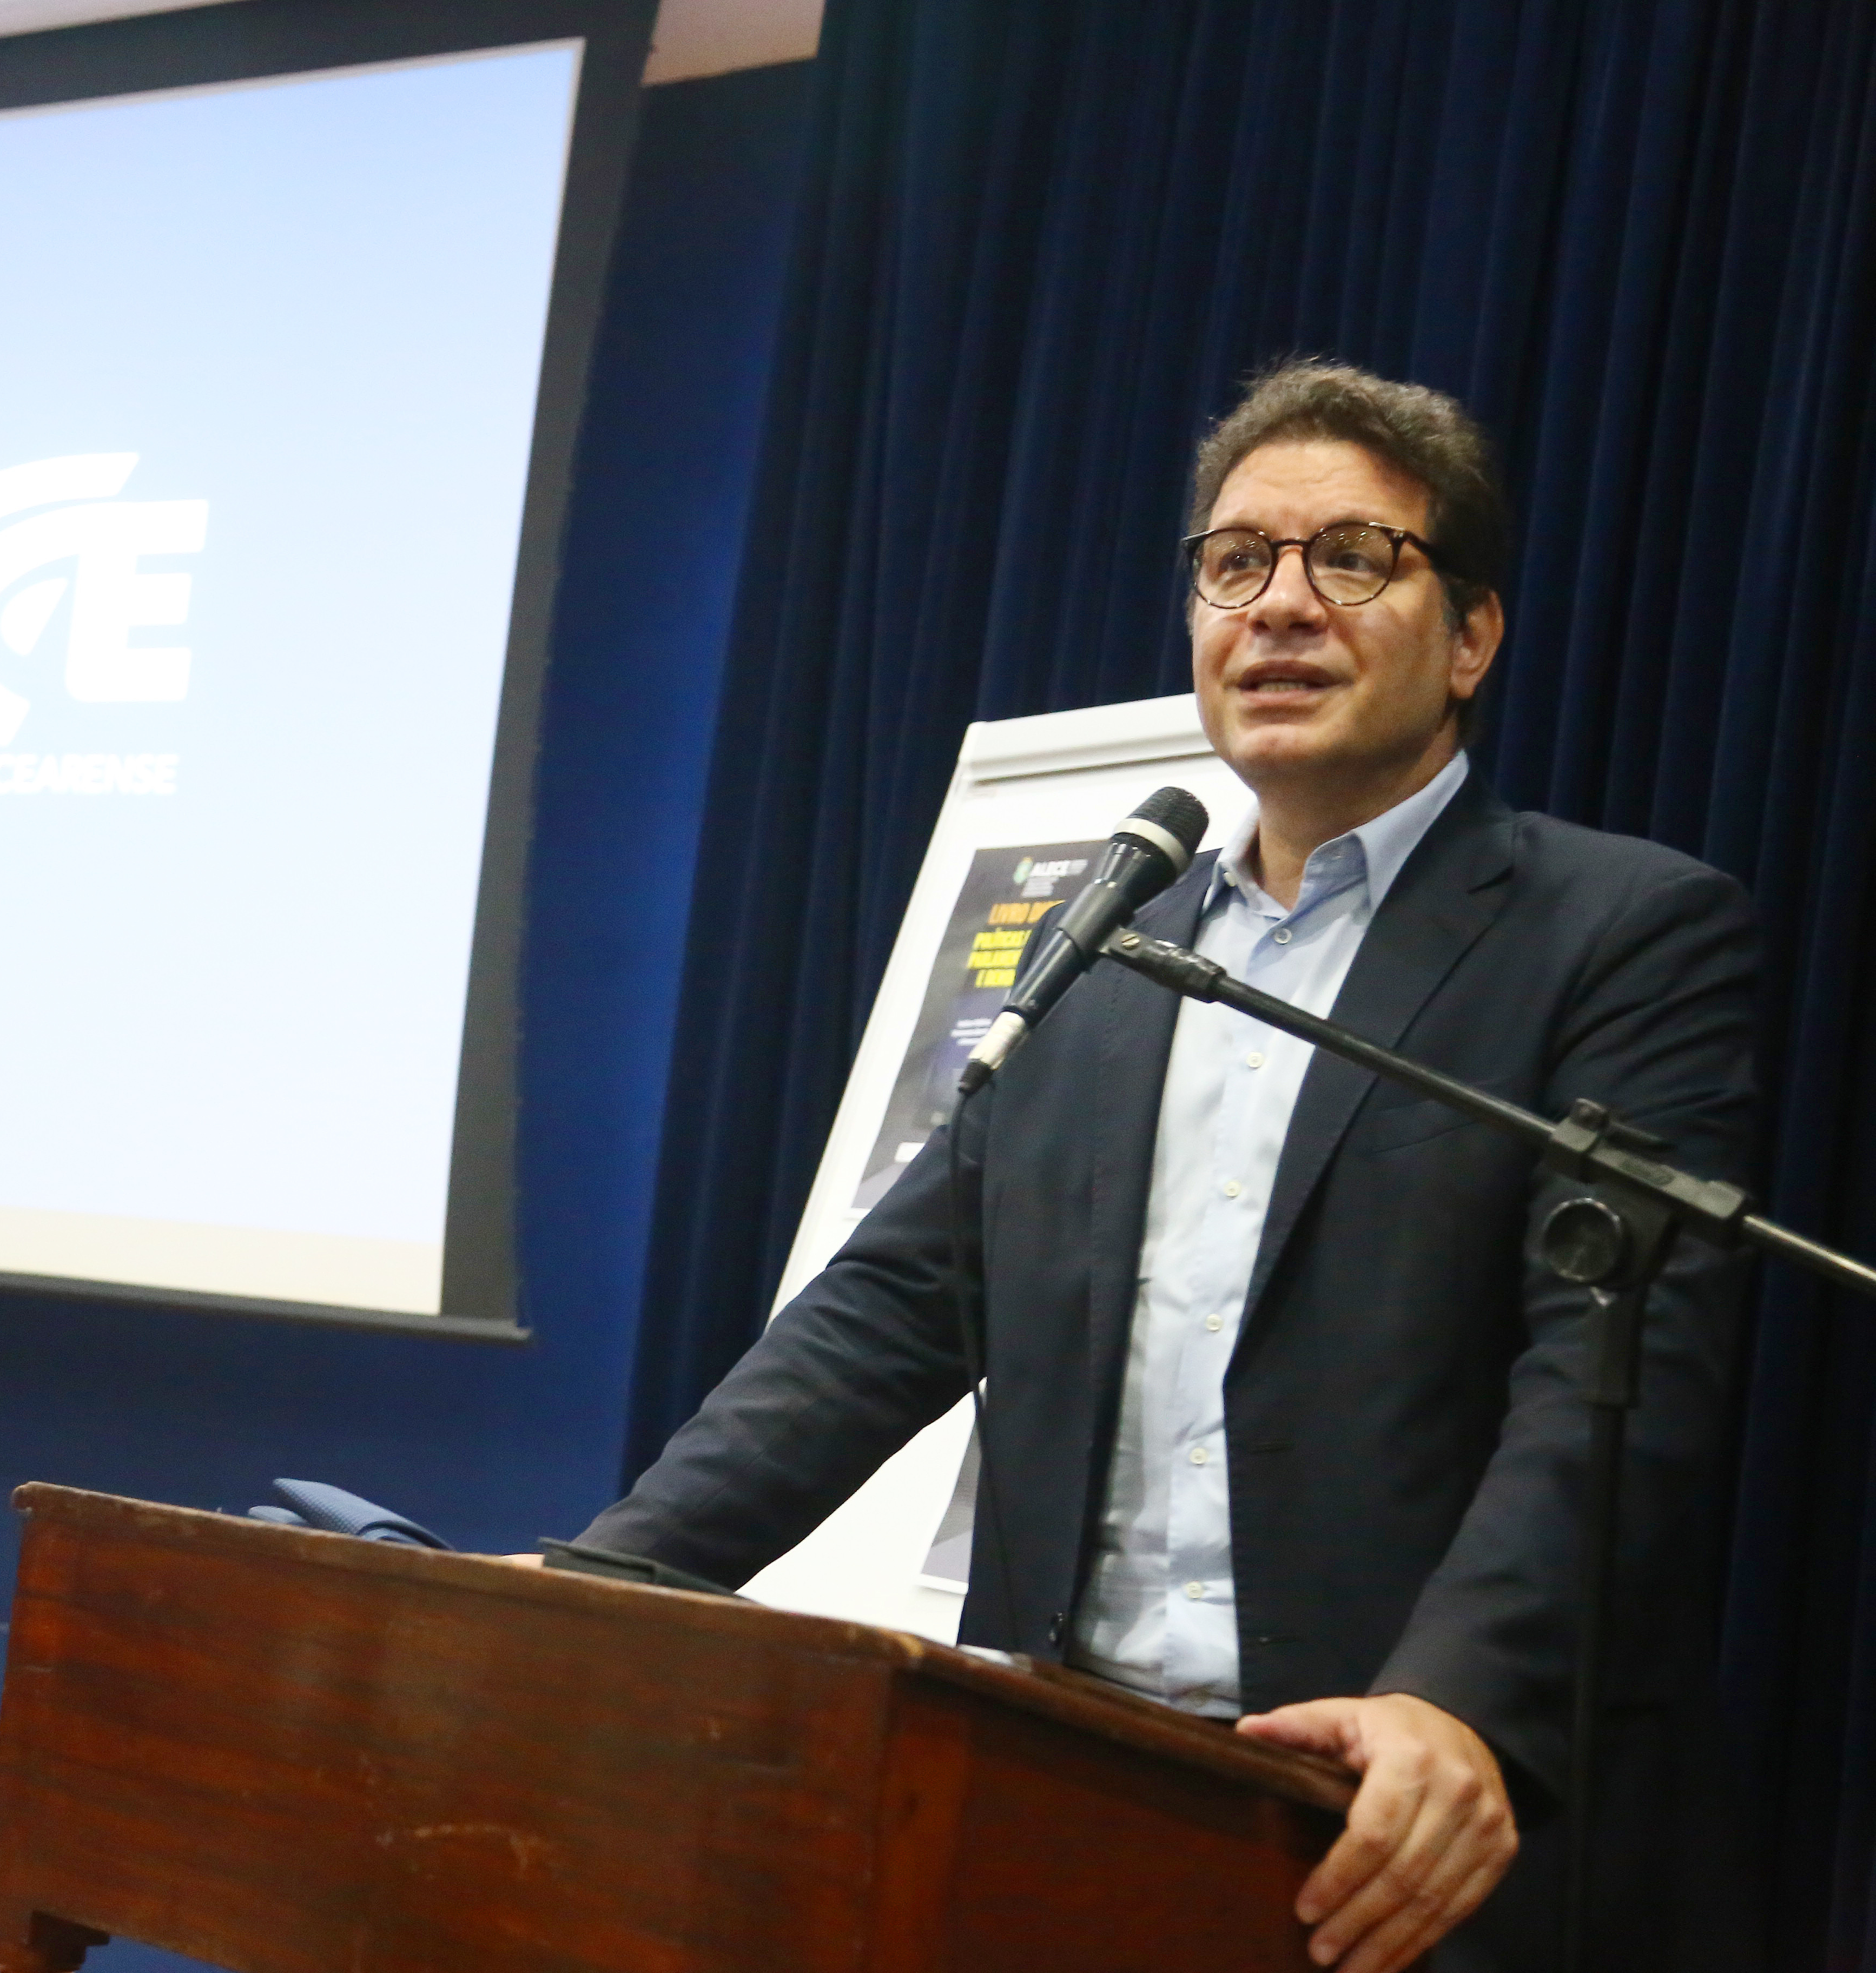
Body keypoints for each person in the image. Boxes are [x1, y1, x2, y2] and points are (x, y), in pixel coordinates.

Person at [574, 361, 1759, 1972]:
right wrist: (602, 1591)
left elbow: (1613, 1386)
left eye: (1354, 558)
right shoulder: (1111, 949)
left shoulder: (1622, 935)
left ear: (1472, 635)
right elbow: (880, 1320)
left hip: (1379, 1817)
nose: (1281, 606)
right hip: (1057, 1779)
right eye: (1236, 562)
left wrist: (1456, 1702)